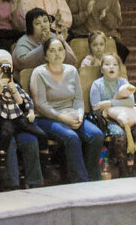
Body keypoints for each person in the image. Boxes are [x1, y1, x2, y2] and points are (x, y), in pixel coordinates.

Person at [30, 38, 104, 183]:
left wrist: (80, 116)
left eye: (60, 49)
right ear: (45, 56)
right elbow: (40, 104)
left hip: (72, 114)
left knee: (97, 135)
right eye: (52, 50)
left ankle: (94, 178)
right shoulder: (39, 73)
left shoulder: (71, 70)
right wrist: (61, 117)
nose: (57, 54)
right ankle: (82, 183)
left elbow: (78, 99)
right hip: (47, 117)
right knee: (72, 137)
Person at [0, 52, 46, 189]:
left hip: (16, 121)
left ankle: (35, 182)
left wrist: (14, 91)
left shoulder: (14, 82)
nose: (2, 69)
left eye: (6, 65)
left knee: (30, 140)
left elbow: (23, 105)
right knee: (9, 143)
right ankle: (11, 184)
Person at [90, 54, 136, 175]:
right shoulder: (97, 84)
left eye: (115, 64)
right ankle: (123, 169)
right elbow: (96, 107)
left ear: (119, 69)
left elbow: (130, 102)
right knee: (119, 135)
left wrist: (108, 103)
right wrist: (110, 109)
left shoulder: (123, 82)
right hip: (110, 120)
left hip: (128, 116)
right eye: (107, 64)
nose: (111, 67)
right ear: (101, 69)